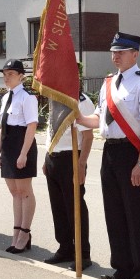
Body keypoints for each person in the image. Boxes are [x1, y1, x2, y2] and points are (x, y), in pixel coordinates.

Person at [78, 32, 140, 279]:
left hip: (132, 152)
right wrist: (78, 117)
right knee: (114, 212)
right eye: (114, 52)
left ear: (135, 54)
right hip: (110, 152)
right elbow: (99, 118)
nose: (116, 56)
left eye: (121, 52)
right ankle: (121, 268)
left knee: (135, 215)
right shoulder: (108, 83)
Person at [43, 91, 95, 268]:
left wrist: (81, 164)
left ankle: (83, 254)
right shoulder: (55, 96)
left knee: (75, 207)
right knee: (58, 207)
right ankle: (65, 248)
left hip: (71, 158)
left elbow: (88, 136)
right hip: (53, 157)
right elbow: (52, 130)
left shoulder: (81, 101)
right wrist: (47, 157)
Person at [0, 59, 39, 253]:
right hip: (8, 146)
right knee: (14, 192)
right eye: (5, 74)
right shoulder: (6, 97)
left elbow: (31, 126)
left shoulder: (27, 97)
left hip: (22, 145)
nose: (7, 78)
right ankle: (16, 232)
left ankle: (24, 233)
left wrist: (23, 154)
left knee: (24, 191)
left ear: (21, 76)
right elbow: (2, 127)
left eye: (11, 74)